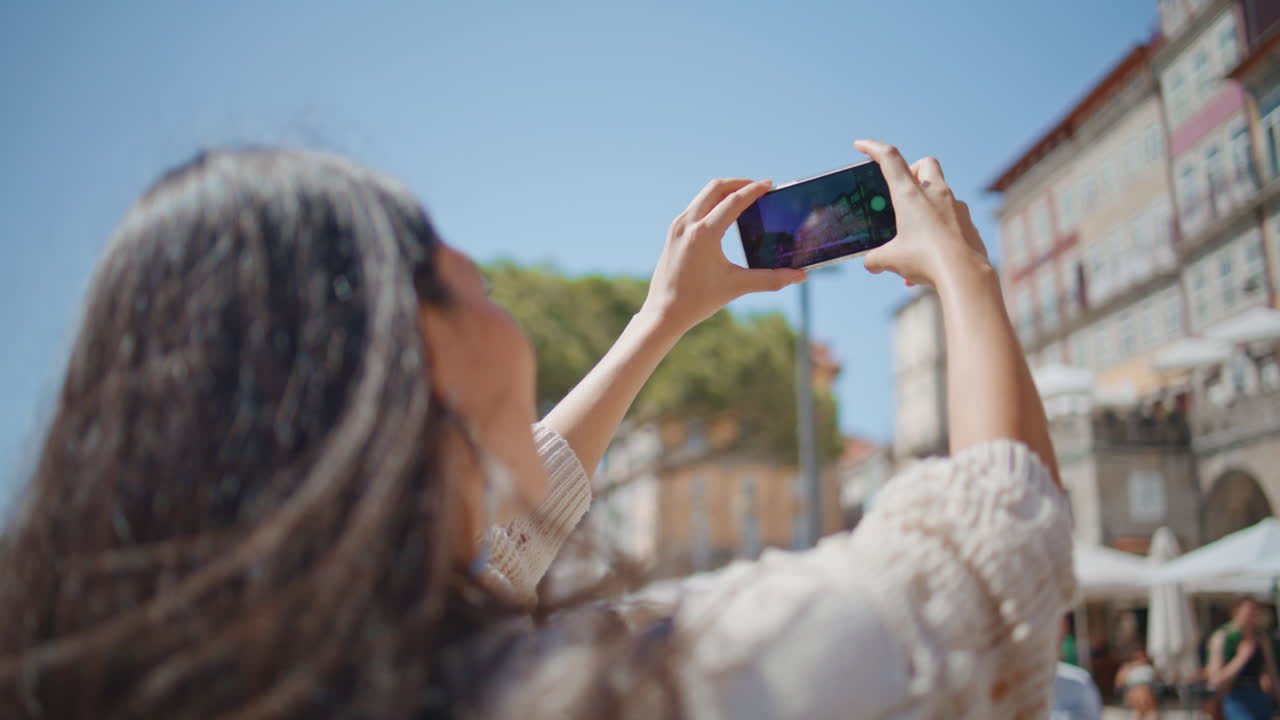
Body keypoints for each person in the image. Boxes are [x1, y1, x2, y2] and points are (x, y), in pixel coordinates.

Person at [0, 140, 1076, 719]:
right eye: (434, 257)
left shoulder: (308, 672)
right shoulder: (585, 696)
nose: (472, 268)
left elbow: (498, 547)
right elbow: (992, 558)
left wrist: (663, 320)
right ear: (384, 359)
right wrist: (960, 275)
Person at [1207, 596, 1280, 720]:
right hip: (1234, 697)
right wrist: (1241, 657)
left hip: (1258, 696)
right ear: (1236, 611)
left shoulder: (1261, 639)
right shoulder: (1222, 638)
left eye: (1257, 612)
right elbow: (1215, 681)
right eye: (1250, 611)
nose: (1254, 617)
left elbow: (1272, 674)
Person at [1115, 648, 1160, 720]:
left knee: (1142, 693)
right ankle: (1154, 715)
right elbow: (1119, 684)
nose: (1141, 659)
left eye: (1143, 657)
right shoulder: (1127, 668)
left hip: (1147, 691)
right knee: (1141, 693)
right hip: (1133, 691)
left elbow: (1157, 682)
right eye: (1138, 658)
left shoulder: (1150, 668)